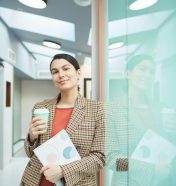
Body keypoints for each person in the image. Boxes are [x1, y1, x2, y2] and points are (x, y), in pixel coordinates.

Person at [20, 53, 105, 186]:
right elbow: (31, 153)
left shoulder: (96, 110)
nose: (60, 74)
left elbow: (99, 158)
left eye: (65, 69)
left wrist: (63, 170)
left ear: (78, 73)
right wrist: (31, 137)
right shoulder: (41, 107)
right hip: (36, 181)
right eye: (55, 71)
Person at [105, 54, 176, 186]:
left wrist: (173, 133)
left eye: (152, 72)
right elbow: (111, 160)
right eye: (142, 69)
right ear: (127, 74)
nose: (148, 75)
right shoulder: (112, 110)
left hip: (164, 182)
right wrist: (152, 170)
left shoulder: (162, 108)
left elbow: (169, 147)